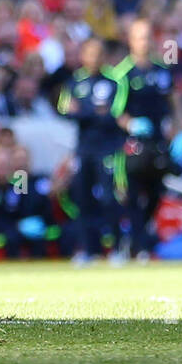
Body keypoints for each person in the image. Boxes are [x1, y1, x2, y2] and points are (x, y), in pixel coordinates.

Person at [110, 19, 179, 260]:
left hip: (159, 144)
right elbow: (116, 111)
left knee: (157, 193)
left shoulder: (162, 70)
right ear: (130, 40)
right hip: (133, 146)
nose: (145, 42)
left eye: (148, 36)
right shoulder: (122, 74)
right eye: (140, 37)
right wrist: (131, 124)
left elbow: (174, 102)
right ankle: (135, 245)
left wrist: (179, 129)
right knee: (131, 194)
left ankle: (141, 241)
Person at [57, 38, 127, 265]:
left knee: (109, 198)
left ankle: (117, 248)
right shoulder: (75, 82)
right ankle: (88, 250)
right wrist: (95, 112)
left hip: (108, 149)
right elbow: (65, 110)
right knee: (82, 199)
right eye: (89, 53)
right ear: (83, 56)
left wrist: (85, 111)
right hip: (83, 148)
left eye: (98, 53)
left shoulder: (116, 80)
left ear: (104, 56)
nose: (93, 58)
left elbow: (114, 115)